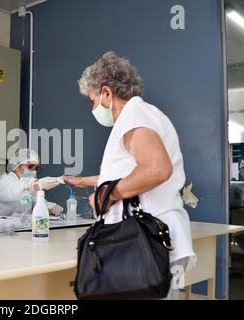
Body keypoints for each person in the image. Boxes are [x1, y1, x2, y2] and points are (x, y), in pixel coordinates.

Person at [64, 52, 196, 300]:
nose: (93, 108)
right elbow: (132, 173)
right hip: (151, 238)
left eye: (92, 100)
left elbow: (156, 169)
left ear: (106, 92)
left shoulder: (134, 115)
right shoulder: (144, 115)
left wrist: (106, 195)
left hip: (144, 241)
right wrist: (86, 182)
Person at [0, 148, 63, 217]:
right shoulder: (5, 181)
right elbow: (14, 192)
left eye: (36, 168)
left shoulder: (29, 184)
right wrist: (34, 186)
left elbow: (36, 202)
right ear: (17, 167)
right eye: (30, 166)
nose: (34, 171)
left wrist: (50, 207)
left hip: (19, 228)